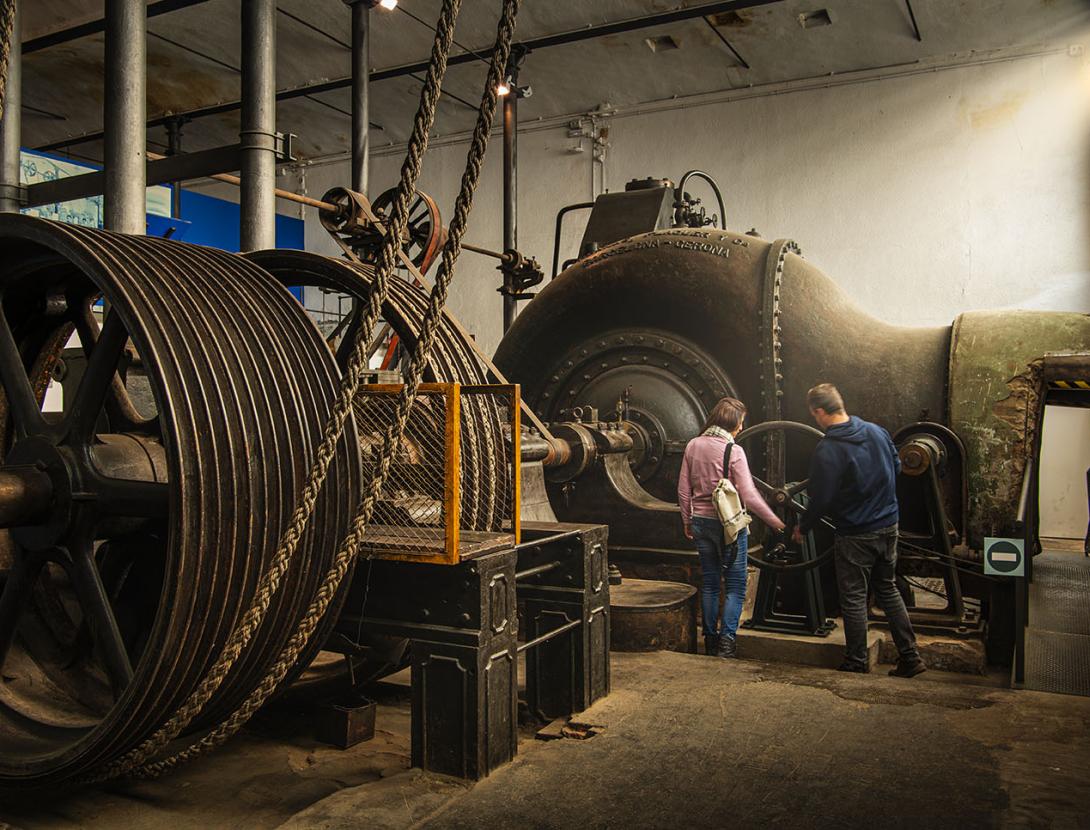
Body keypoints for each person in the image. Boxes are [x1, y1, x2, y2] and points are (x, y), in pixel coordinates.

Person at [794, 383, 926, 677]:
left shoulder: (828, 449)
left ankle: (855, 662)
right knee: (887, 589)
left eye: (814, 414)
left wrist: (804, 525)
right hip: (889, 525)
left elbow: (822, 498)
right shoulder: (876, 431)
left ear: (819, 412)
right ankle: (910, 657)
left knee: (853, 597)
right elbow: (897, 466)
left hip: (856, 533)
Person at [678, 397, 786, 658]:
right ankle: (727, 642)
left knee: (711, 583)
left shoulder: (693, 446)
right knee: (736, 585)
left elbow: (683, 490)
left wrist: (687, 521)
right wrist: (774, 521)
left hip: (702, 523)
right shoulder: (733, 450)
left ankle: (710, 641)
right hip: (729, 525)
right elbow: (747, 494)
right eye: (740, 423)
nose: (740, 428)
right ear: (732, 422)